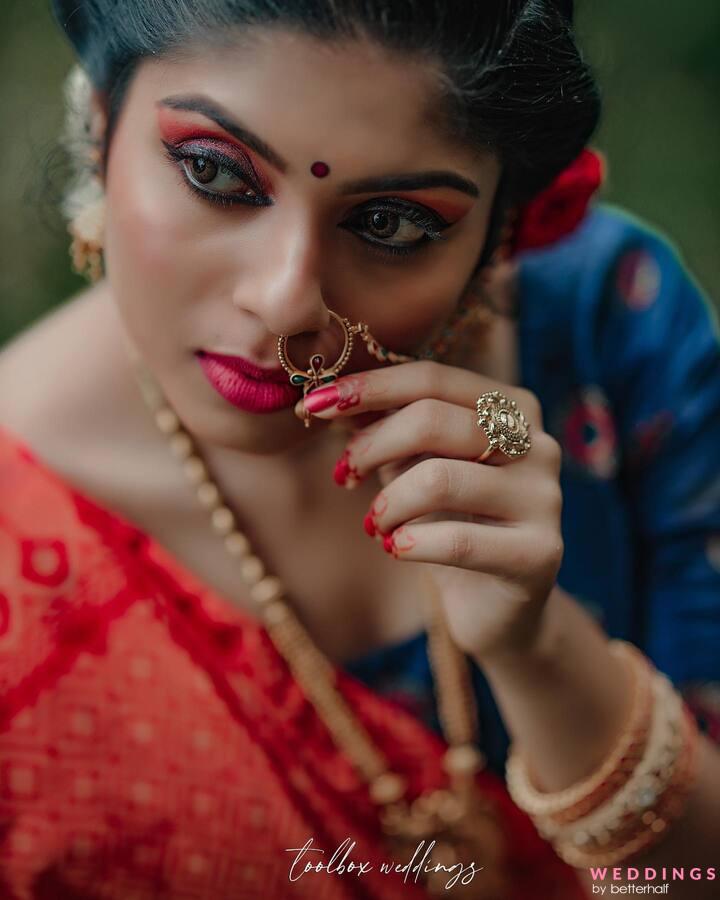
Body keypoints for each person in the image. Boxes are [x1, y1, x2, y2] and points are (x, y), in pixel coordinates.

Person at [0, 1, 718, 898]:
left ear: (500, 236)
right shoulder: (19, 549)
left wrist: (539, 651)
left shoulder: (612, 332)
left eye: (391, 225)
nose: (286, 299)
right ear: (100, 127)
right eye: (216, 174)